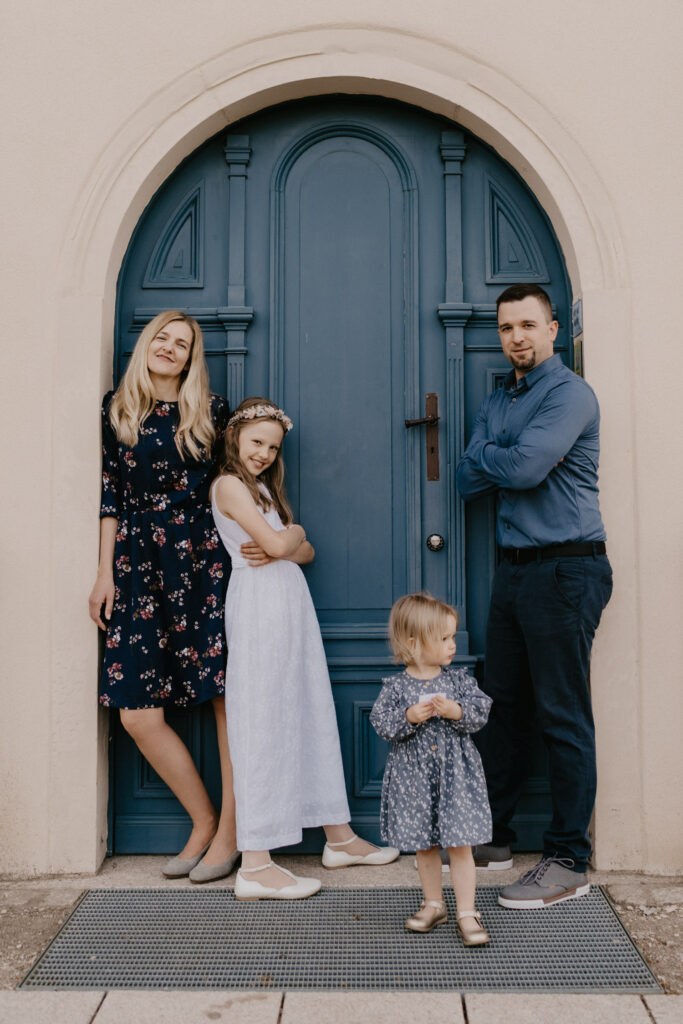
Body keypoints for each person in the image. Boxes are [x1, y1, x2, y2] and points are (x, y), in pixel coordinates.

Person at [456, 283, 613, 908]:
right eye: (506, 328)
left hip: (567, 569)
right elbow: (466, 478)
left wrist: (494, 454)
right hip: (515, 571)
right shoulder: (500, 398)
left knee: (561, 714)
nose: (516, 337)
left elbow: (520, 469)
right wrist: (503, 456)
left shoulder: (570, 394)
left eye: (527, 325)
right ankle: (494, 837)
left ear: (553, 329)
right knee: (504, 707)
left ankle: (568, 860)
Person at [211, 397, 399, 900]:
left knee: (308, 711)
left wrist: (288, 542)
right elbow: (284, 547)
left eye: (273, 447)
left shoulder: (263, 491)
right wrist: (292, 534)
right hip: (259, 610)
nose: (264, 453)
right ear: (234, 438)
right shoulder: (229, 485)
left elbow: (306, 555)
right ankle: (255, 863)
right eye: (257, 442)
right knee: (263, 720)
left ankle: (339, 837)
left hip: (290, 609)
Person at [88, 310, 239, 883]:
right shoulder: (117, 408)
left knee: (226, 699)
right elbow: (110, 495)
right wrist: (103, 573)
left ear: (191, 357)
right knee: (137, 713)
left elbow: (234, 485)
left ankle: (231, 836)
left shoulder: (211, 411)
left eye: (182, 343)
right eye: (162, 338)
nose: (170, 348)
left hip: (202, 563)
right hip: (136, 567)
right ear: (146, 344)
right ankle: (203, 820)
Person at [370, 593, 492, 946]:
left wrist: (457, 712)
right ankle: (433, 903)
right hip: (415, 781)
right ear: (414, 643)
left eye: (452, 636)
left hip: (456, 778)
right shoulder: (396, 688)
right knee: (425, 846)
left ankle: (467, 911)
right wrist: (409, 717)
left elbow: (480, 711)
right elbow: (382, 723)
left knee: (460, 845)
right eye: (444, 638)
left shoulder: (459, 682)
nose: (453, 645)